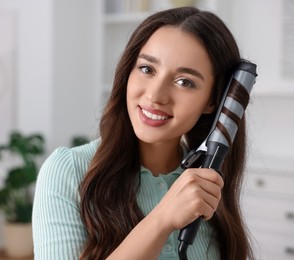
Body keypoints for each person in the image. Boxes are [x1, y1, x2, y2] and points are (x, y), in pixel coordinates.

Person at [32, 6, 254, 260]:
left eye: (185, 82)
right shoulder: (69, 171)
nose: (155, 95)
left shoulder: (207, 183)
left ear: (214, 101)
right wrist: (163, 219)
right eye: (147, 69)